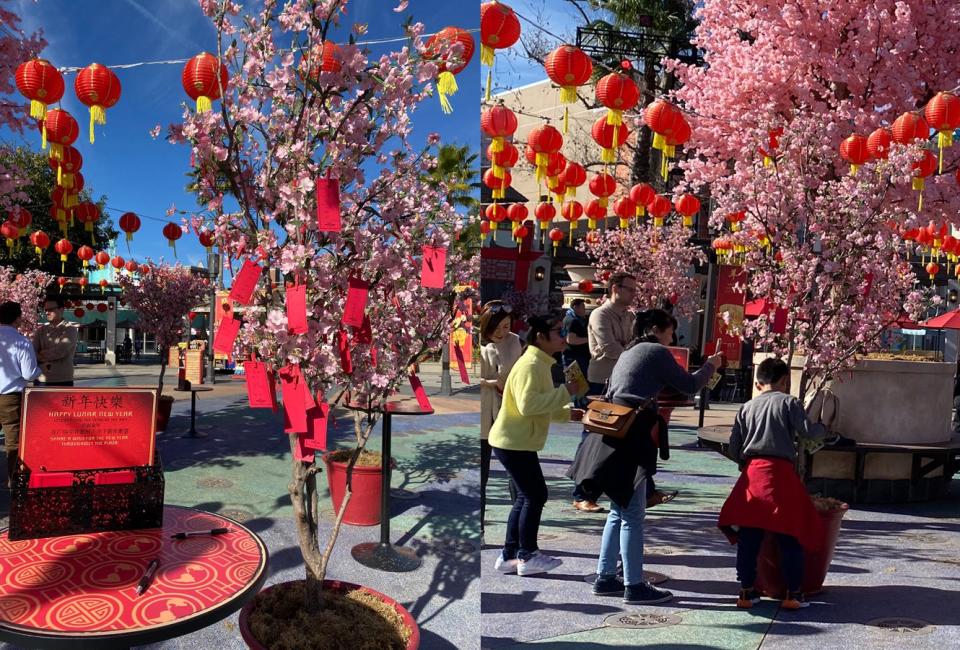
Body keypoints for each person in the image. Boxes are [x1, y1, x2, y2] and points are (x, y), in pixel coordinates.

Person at [568, 308, 722, 605]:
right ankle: (634, 585)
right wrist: (711, 365)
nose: (672, 338)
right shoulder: (655, 351)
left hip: (612, 435)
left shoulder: (631, 350)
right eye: (669, 332)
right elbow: (689, 385)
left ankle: (605, 577)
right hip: (632, 439)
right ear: (655, 329)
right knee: (633, 516)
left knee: (618, 511)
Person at [718, 358, 826, 610]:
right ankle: (793, 594)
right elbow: (808, 431)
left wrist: (745, 464)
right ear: (785, 381)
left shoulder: (745, 407)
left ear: (758, 382)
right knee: (789, 535)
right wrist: (825, 430)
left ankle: (746, 592)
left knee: (748, 537)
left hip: (753, 475)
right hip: (780, 476)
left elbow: (734, 447)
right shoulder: (789, 402)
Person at [489, 312, 579, 576]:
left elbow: (535, 403)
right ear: (541, 336)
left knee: (525, 497)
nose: (564, 337)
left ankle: (509, 556)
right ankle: (528, 556)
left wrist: (565, 412)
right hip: (513, 441)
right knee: (535, 495)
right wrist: (565, 393)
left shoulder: (537, 361)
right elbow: (529, 405)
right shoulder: (531, 364)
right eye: (559, 332)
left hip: (515, 440)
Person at [572, 273, 636, 513]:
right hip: (601, 381)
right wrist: (632, 356)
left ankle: (608, 490)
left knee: (617, 438)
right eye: (629, 289)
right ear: (615, 289)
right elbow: (610, 347)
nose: (633, 294)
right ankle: (581, 493)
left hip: (621, 381)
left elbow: (633, 343)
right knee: (592, 436)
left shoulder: (630, 316)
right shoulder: (600, 314)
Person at [479, 300, 523, 533]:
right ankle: (480, 529)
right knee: (481, 475)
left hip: (508, 412)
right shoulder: (475, 345)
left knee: (516, 471)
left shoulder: (514, 342)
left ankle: (519, 530)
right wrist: (489, 382)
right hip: (483, 413)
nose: (501, 332)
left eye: (506, 326)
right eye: (496, 327)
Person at [0, 301, 41, 488]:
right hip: (11, 398)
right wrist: (41, 368)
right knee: (13, 441)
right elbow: (29, 373)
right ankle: (12, 480)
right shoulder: (21, 341)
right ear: (17, 318)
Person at [32, 295, 78, 387]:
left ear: (61, 309)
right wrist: (42, 354)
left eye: (51, 309)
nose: (47, 312)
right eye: (46, 310)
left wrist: (41, 354)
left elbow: (60, 352)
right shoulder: (41, 330)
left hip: (63, 379)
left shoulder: (70, 329)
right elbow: (33, 352)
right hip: (41, 378)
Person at [563, 299, 590, 408]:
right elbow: (571, 340)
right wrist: (590, 339)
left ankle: (578, 405)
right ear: (575, 307)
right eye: (582, 307)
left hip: (578, 357)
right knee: (577, 384)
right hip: (573, 357)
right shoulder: (572, 320)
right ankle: (577, 408)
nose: (584, 310)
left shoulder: (576, 319)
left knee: (578, 384)